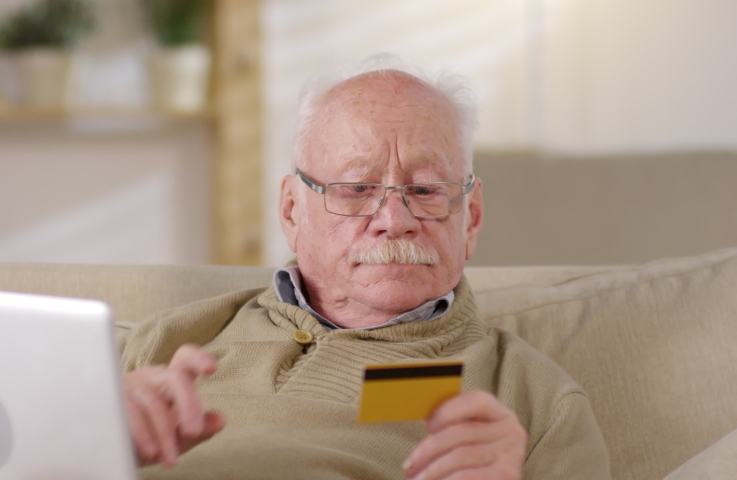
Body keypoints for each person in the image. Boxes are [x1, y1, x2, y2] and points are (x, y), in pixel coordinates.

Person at [120, 54, 611, 480]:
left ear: (472, 217)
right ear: (292, 210)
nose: (394, 221)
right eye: (357, 188)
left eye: (425, 190)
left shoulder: (529, 398)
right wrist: (91, 433)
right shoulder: (168, 340)